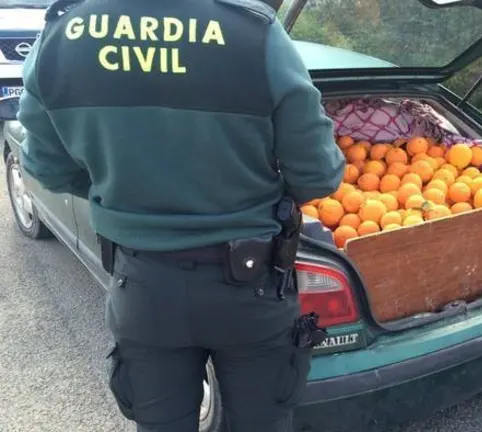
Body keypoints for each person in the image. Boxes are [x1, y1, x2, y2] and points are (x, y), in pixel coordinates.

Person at [16, 0, 345, 430]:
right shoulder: (252, 31)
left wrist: (118, 191)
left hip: (143, 287)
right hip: (251, 291)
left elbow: (45, 167)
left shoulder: (62, 35)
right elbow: (318, 174)